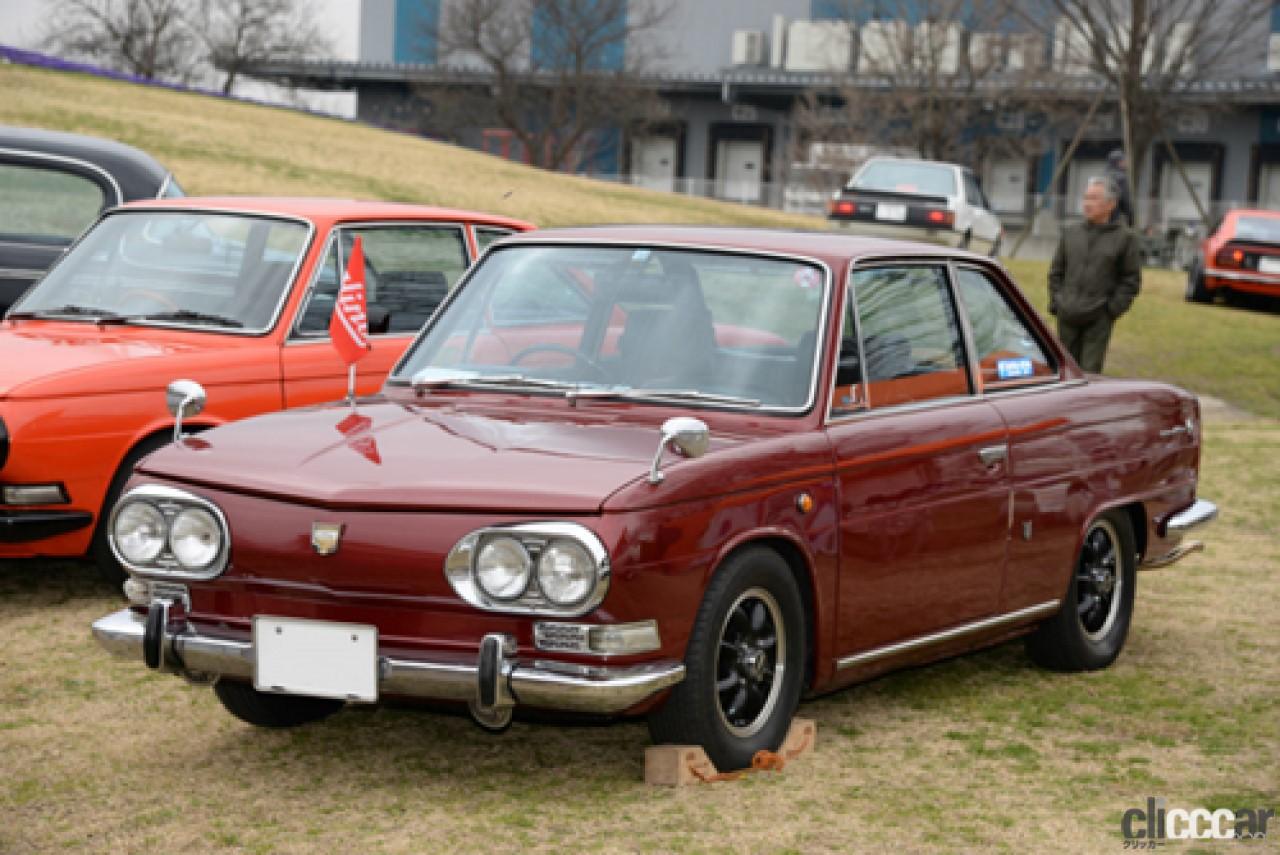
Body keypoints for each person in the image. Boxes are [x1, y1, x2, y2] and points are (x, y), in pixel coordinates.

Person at [1047, 177, 1141, 373]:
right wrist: (1057, 302)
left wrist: (1111, 311)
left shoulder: (1125, 238)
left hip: (1098, 318)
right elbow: (1056, 273)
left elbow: (1131, 280)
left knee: (1088, 374)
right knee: (1063, 371)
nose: (1087, 204)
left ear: (1111, 204)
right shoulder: (1071, 233)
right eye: (1085, 198)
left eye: (1094, 199)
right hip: (1067, 314)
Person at [1105, 148, 1134, 226]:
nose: (1126, 163)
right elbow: (1125, 202)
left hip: (1100, 216)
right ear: (1119, 162)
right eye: (1124, 161)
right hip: (1114, 218)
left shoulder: (1102, 176)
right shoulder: (1121, 178)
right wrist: (1131, 219)